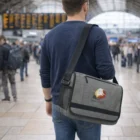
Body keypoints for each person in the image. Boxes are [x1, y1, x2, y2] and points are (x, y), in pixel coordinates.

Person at [40, 0, 115, 140]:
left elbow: (44, 74)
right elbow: (107, 73)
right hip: (88, 105)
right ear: (85, 6)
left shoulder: (49, 36)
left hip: (59, 103)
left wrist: (48, 100)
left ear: (63, 7)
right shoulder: (96, 33)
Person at [0, 36, 17, 102]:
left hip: (5, 69)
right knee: (13, 83)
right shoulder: (10, 47)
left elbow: (1, 60)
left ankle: (7, 97)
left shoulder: (2, 48)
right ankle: (15, 97)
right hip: (12, 67)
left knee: (5, 84)